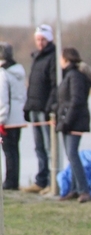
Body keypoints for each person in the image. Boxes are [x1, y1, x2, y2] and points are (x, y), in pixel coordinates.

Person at [56, 47, 91, 203]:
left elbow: (76, 100)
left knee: (72, 154)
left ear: (66, 59)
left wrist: (66, 121)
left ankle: (84, 191)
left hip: (74, 122)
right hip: (70, 121)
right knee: (71, 154)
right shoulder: (71, 75)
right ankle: (74, 189)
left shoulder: (74, 76)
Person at [22, 24, 57, 194]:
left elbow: (53, 86)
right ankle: (41, 180)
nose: (40, 42)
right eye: (38, 39)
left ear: (49, 39)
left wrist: (49, 108)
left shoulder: (53, 57)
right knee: (38, 146)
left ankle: (52, 181)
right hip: (34, 108)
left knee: (50, 147)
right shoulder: (36, 57)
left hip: (45, 109)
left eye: (43, 39)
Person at [0, 42, 26, 190]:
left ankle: (10, 181)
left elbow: (3, 98)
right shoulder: (18, 71)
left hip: (7, 120)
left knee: (8, 151)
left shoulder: (3, 73)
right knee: (15, 150)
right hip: (18, 117)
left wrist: (1, 120)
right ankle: (14, 179)